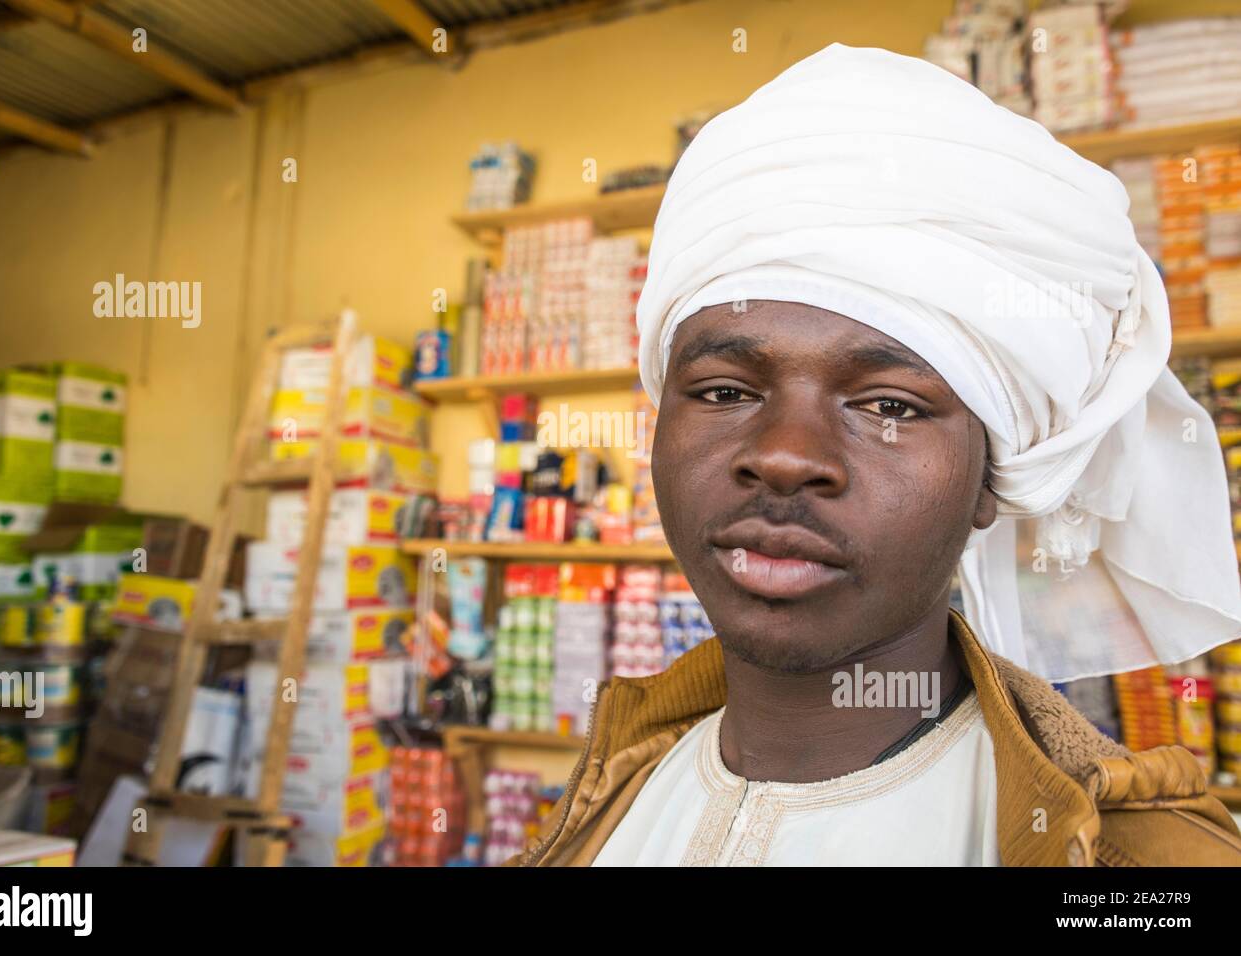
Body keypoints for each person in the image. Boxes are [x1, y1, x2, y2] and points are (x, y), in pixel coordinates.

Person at [510, 44, 1241, 866]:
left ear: (987, 482)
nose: (785, 458)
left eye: (890, 406)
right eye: (724, 392)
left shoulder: (1140, 868)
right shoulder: (607, 796)